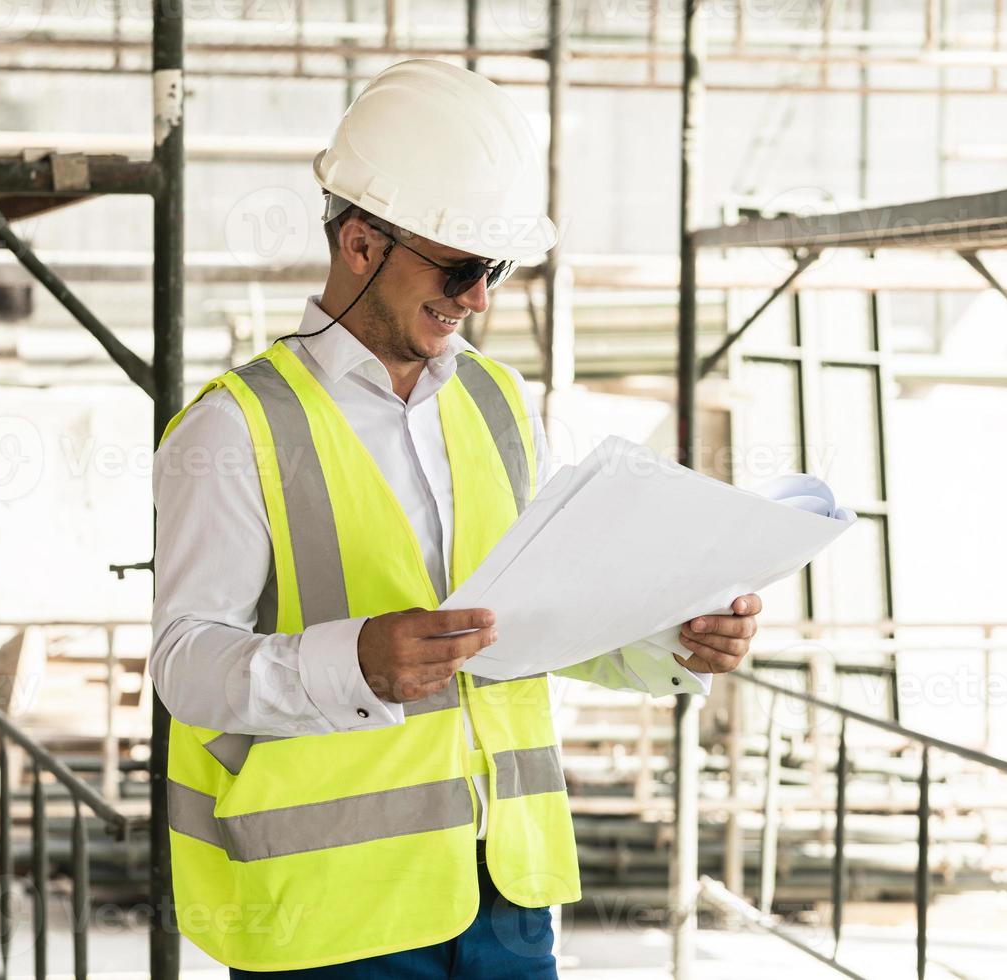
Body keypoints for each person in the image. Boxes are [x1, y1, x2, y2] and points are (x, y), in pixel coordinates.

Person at [150, 59, 761, 978]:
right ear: (360, 245)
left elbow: (540, 622)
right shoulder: (235, 428)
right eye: (463, 266)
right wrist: (351, 662)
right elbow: (185, 663)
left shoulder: (498, 402)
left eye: (496, 269)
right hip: (328, 916)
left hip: (505, 897)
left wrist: (673, 639)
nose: (478, 298)